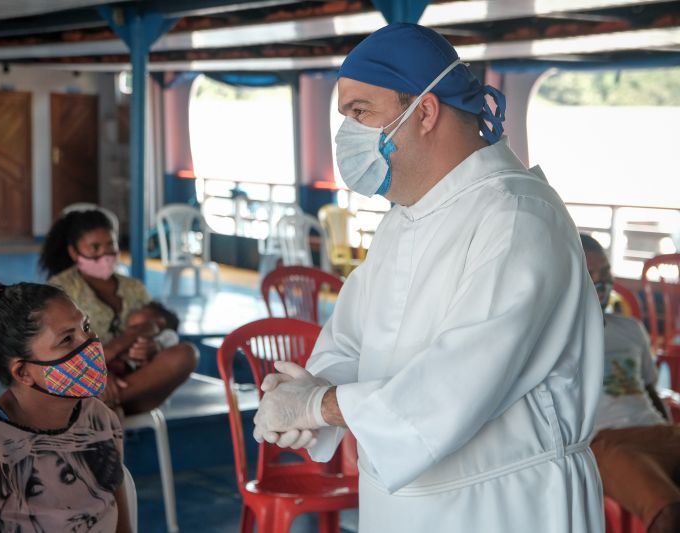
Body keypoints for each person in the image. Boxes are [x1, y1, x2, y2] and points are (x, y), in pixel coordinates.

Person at [252, 23, 604, 532]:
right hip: (400, 504)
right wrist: (310, 390)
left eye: (360, 112)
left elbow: (457, 382)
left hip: (504, 505)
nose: (348, 134)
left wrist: (319, 407)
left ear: (425, 111)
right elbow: (351, 341)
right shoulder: (405, 218)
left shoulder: (516, 215)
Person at [0, 282, 131, 533]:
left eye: (86, 327)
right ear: (23, 372)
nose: (90, 344)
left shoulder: (99, 418)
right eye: (67, 339)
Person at [39, 209, 197, 414]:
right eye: (95, 247)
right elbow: (56, 350)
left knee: (186, 354)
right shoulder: (61, 289)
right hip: (82, 377)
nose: (105, 254)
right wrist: (100, 372)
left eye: (110, 245)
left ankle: (102, 403)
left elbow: (161, 324)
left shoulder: (134, 288)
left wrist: (154, 346)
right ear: (74, 252)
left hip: (135, 382)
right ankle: (103, 404)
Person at [581, 233, 680, 533]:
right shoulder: (560, 337)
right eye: (590, 273)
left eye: (605, 272)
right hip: (607, 442)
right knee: (669, 514)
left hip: (659, 432)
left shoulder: (631, 329)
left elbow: (650, 389)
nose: (601, 281)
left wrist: (668, 428)